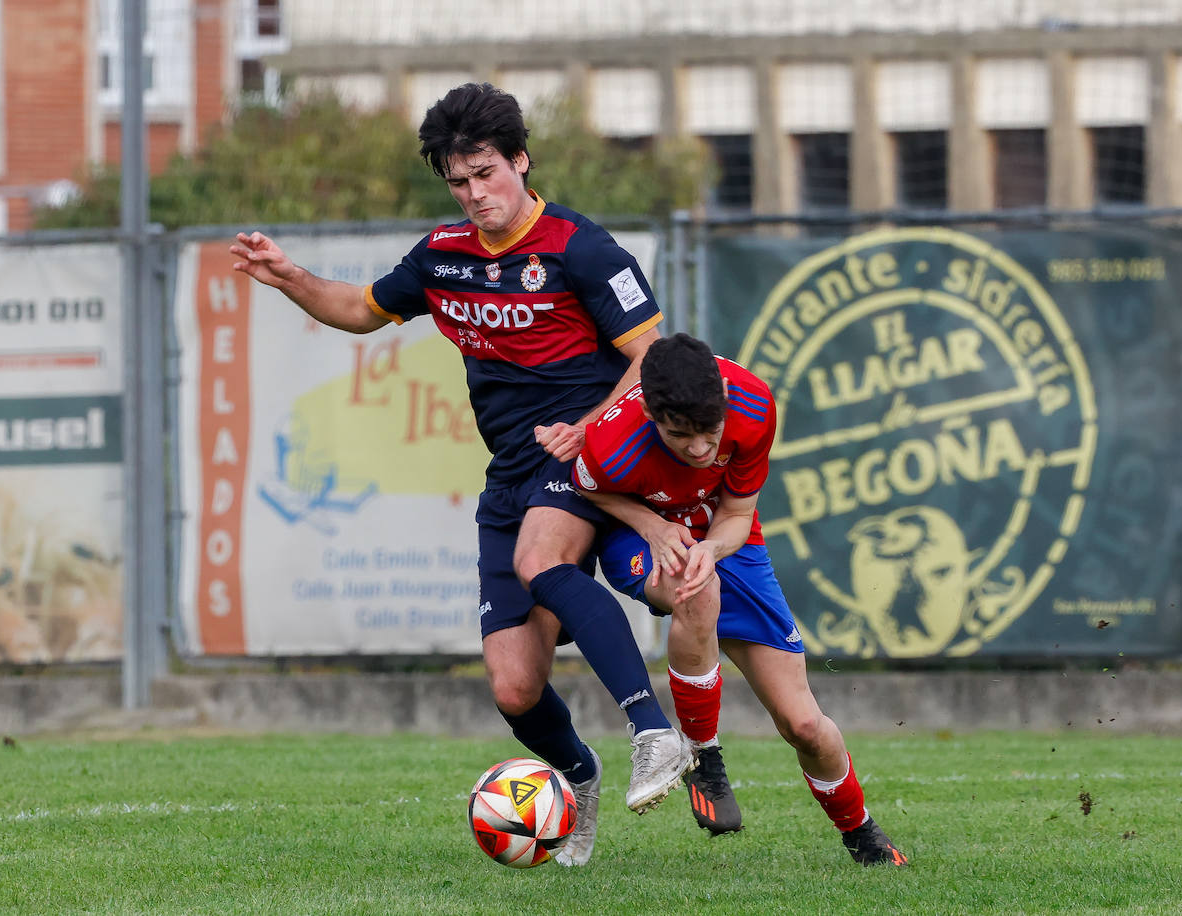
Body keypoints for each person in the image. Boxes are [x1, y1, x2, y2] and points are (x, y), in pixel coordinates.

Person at [230, 83, 694, 868]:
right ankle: (578, 778)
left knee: (540, 559)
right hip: (509, 475)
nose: (476, 194)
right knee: (514, 687)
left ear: (521, 160)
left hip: (582, 460)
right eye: (459, 181)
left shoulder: (582, 248)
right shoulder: (443, 256)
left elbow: (654, 356)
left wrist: (587, 427)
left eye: (487, 173)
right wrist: (287, 275)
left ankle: (656, 731)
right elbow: (358, 307)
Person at [572, 333, 909, 866]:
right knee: (698, 590)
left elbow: (735, 515)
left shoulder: (753, 404)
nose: (701, 449)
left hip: (724, 532)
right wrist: (653, 526)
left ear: (724, 399)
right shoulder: (613, 443)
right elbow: (588, 485)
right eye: (681, 436)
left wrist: (710, 547)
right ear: (652, 416)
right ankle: (704, 757)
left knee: (803, 725)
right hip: (640, 538)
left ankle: (861, 833)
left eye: (710, 432)